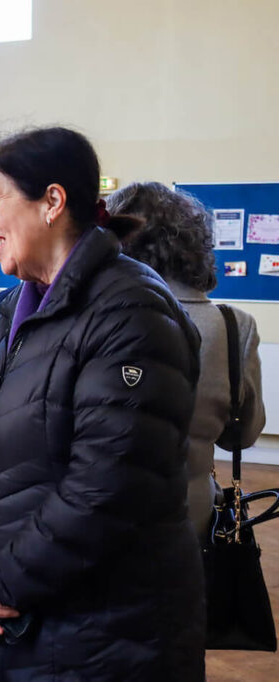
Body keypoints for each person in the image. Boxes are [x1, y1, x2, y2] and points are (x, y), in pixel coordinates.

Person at [0, 127, 205, 680]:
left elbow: (109, 488)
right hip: (19, 622)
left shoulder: (132, 311)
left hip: (107, 636)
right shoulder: (14, 308)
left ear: (52, 202)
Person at [108, 181, 266, 542]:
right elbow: (242, 435)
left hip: (97, 520)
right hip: (190, 521)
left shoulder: (92, 314)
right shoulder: (232, 327)